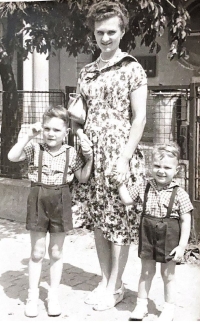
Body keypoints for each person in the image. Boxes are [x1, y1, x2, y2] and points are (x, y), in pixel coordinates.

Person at [71, 1, 147, 311]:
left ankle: (116, 285)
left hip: (119, 155)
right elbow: (78, 114)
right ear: (93, 33)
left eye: (111, 32)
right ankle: (106, 281)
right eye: (100, 32)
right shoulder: (87, 71)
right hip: (92, 156)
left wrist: (125, 157)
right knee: (99, 222)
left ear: (122, 32)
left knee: (120, 221)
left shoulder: (132, 67)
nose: (105, 38)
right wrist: (79, 136)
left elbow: (140, 118)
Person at [8, 106, 93, 318]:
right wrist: (28, 136)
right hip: (37, 198)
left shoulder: (71, 153)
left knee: (56, 252)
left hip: (61, 199)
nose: (50, 134)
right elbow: (12, 156)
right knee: (37, 253)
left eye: (56, 130)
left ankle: (53, 296)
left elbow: (82, 177)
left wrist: (90, 158)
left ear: (66, 133)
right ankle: (32, 296)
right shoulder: (35, 148)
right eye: (47, 128)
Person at [118, 142, 193, 321]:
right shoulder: (144, 186)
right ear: (150, 166)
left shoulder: (180, 193)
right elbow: (127, 200)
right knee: (145, 272)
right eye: (157, 166)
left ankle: (168, 308)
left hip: (169, 237)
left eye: (167, 167)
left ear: (177, 170)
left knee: (168, 274)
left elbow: (186, 220)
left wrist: (182, 246)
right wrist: (120, 184)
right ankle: (141, 305)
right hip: (148, 234)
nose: (161, 171)